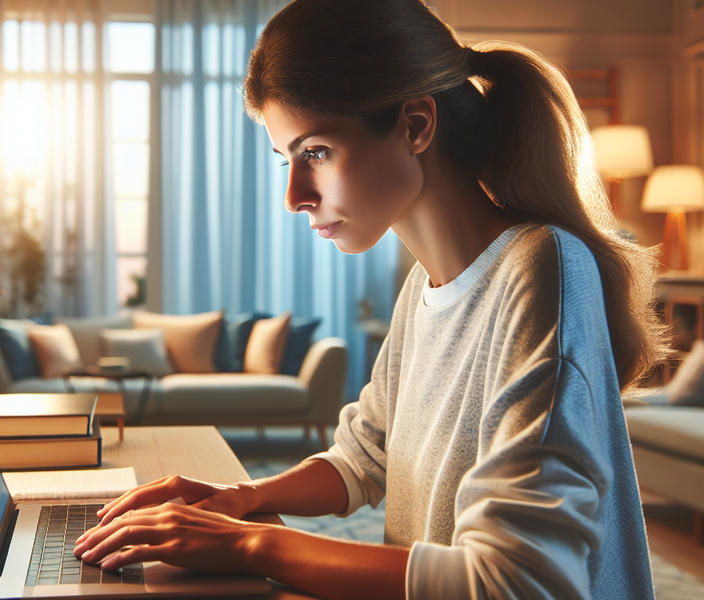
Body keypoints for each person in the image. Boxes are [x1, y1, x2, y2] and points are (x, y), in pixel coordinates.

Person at [74, 0, 669, 598]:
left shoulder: (543, 267)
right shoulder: (426, 286)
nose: (294, 196)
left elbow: (515, 580)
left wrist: (251, 542)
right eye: (287, 159)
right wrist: (240, 498)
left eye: (316, 153)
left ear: (415, 125)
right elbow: (367, 456)